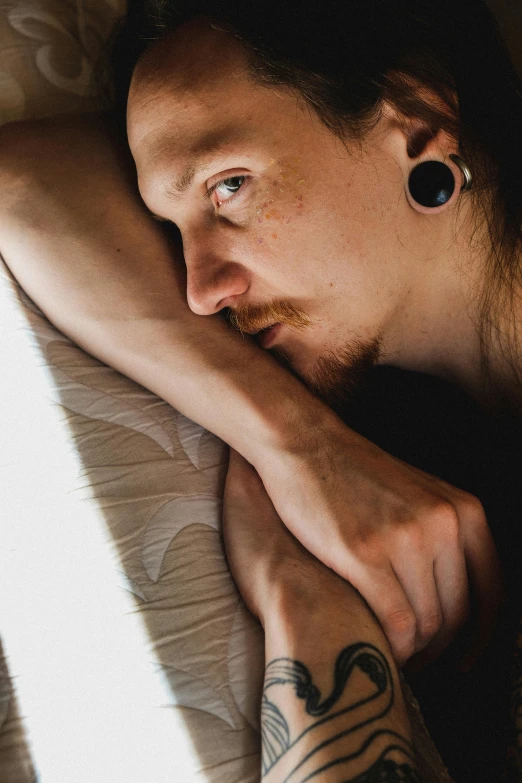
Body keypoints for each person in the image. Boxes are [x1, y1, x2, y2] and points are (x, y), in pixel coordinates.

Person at [1, 0, 521, 778]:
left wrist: (294, 591)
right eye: (172, 229)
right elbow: (24, 185)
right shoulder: (405, 452)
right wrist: (302, 450)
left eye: (229, 186)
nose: (201, 290)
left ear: (416, 123)